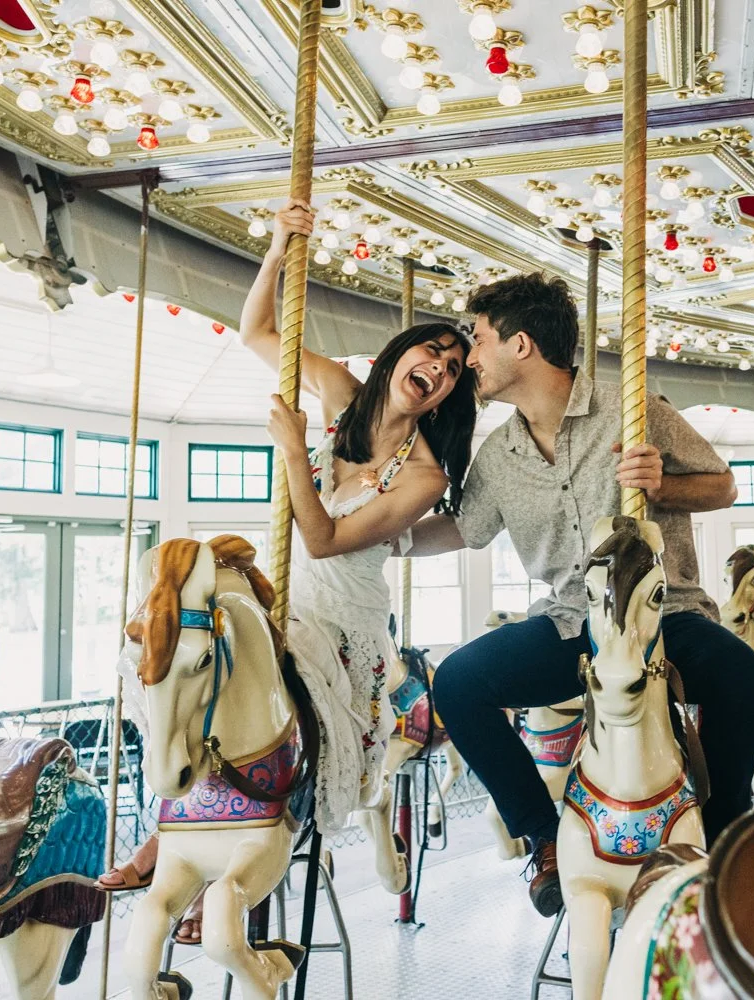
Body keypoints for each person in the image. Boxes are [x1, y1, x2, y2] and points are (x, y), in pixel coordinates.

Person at [99, 201, 480, 937]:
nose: (436, 367)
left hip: (342, 611)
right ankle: (177, 829)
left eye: (454, 369)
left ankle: (250, 852)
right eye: (431, 351)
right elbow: (257, 332)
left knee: (288, 677)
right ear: (401, 353)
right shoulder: (340, 393)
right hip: (286, 594)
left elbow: (325, 538)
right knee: (199, 661)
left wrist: (293, 450)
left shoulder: (424, 475)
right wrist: (277, 246)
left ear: (451, 394)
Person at [402, 272, 754, 918]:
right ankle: (544, 838)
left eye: (478, 339)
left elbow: (723, 486)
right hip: (572, 622)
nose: (471, 358)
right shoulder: (499, 455)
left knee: (739, 670)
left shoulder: (632, 409)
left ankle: (728, 823)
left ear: (521, 345)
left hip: (659, 612)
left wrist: (662, 488)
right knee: (458, 683)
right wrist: (381, 536)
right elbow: (465, 529)